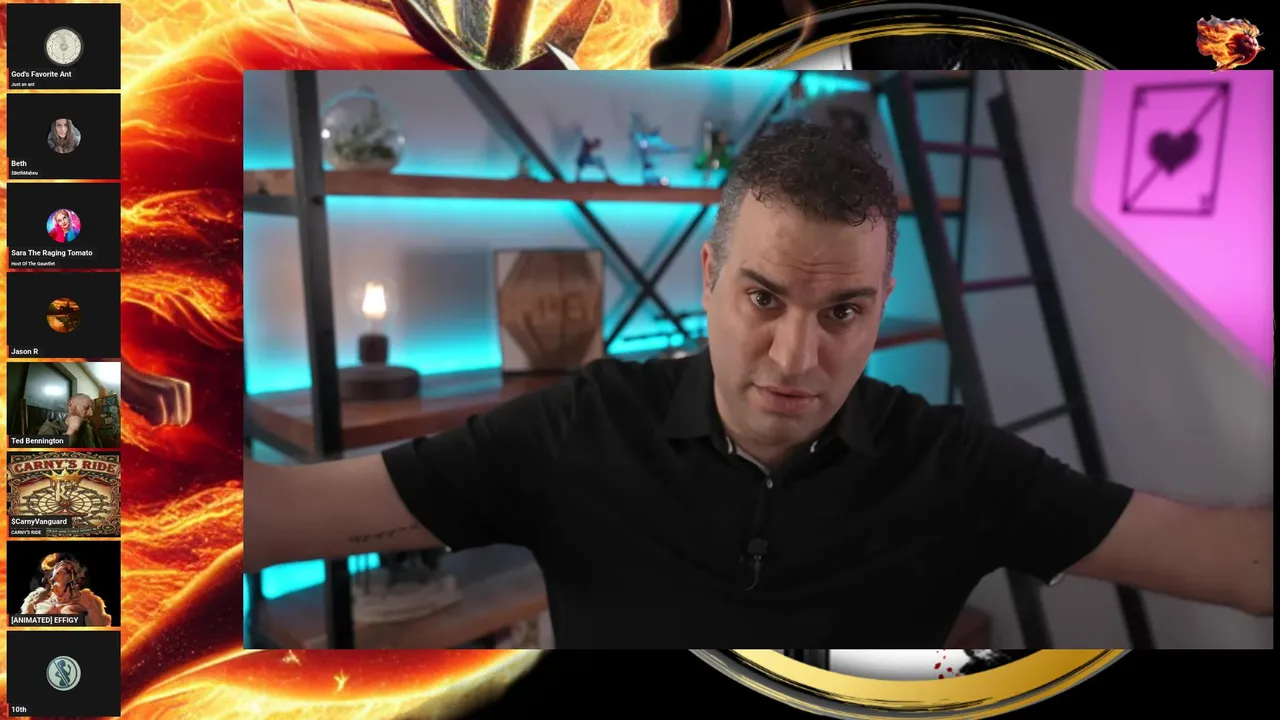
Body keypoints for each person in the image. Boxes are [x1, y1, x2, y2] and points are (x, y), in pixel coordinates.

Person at [244, 120, 1273, 648]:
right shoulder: (582, 427)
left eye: (843, 313)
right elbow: (280, 514)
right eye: (762, 299)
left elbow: (1237, 561)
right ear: (708, 277)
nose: (793, 359)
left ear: (882, 303)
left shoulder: (952, 464)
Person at [19, 552, 113, 627]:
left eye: (68, 567)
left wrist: (88, 606)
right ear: (51, 578)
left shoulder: (87, 602)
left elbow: (101, 632)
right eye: (58, 564)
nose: (62, 563)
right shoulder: (36, 601)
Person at [38, 394, 107, 448]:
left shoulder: (90, 430)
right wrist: (71, 430)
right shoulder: (49, 428)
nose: (91, 413)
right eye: (86, 407)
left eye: (92, 409)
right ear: (71, 405)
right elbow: (43, 458)